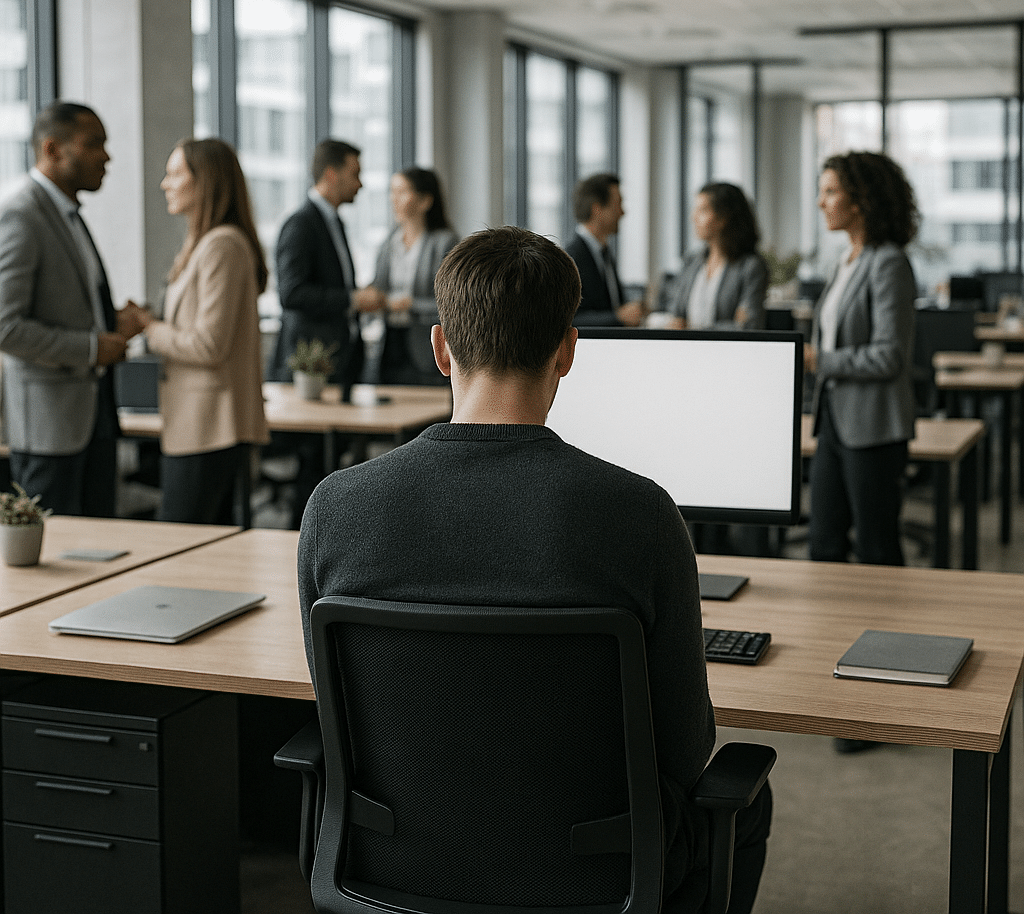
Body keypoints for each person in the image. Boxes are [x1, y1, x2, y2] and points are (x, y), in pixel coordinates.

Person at [297, 225, 771, 914]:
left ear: (439, 349)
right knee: (744, 801)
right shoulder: (640, 514)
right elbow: (686, 750)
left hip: (393, 858)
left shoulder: (335, 508)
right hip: (598, 870)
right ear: (569, 351)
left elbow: (338, 706)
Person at [0, 101, 145, 516]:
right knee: (59, 556)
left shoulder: (68, 215)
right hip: (49, 428)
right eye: (93, 143)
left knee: (99, 551)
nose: (106, 155)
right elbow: (5, 326)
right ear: (52, 149)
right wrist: (91, 348)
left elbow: (65, 310)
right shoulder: (21, 215)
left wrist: (114, 325)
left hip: (93, 413)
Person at [133, 138, 270, 524]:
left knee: (180, 546)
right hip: (199, 423)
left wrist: (150, 328)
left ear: (205, 182)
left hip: (211, 424)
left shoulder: (221, 246)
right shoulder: (201, 244)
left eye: (176, 174)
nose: (165, 183)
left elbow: (209, 344)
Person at [806, 151, 918, 569]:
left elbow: (890, 356)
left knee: (876, 548)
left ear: (861, 199)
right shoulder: (847, 261)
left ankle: (887, 632)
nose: (822, 202)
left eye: (831, 192)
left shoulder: (888, 262)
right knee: (823, 542)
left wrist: (822, 361)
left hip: (873, 426)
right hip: (833, 420)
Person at [270, 139, 379, 391]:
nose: (360, 184)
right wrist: (353, 299)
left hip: (340, 361)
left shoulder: (334, 223)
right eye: (354, 174)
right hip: (310, 367)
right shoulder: (300, 224)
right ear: (331, 174)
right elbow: (291, 293)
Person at [364, 167, 457, 385]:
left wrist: (410, 304)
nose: (393, 199)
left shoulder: (444, 243)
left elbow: (453, 303)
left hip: (426, 346)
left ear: (425, 200)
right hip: (390, 341)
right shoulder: (389, 243)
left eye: (402, 192)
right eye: (392, 192)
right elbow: (379, 286)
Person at [669, 183, 768, 330]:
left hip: (729, 352)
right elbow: (675, 317)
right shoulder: (691, 262)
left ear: (723, 217)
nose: (693, 217)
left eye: (702, 210)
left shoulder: (750, 267)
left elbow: (748, 326)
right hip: (686, 352)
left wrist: (691, 330)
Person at [566, 173, 646, 327]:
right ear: (597, 209)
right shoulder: (572, 258)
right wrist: (618, 317)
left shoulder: (604, 253)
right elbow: (569, 319)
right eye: (618, 204)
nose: (622, 212)